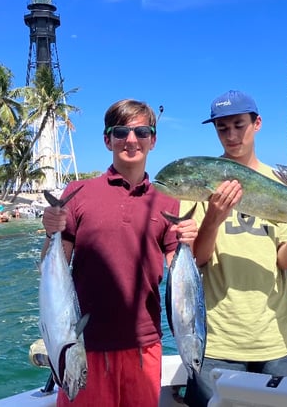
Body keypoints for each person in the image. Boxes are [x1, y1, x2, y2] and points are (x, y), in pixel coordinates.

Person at [40, 99, 198, 406]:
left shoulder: (168, 201)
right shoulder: (78, 193)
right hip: (82, 343)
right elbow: (53, 266)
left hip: (144, 346)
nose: (131, 139)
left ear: (153, 140)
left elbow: (178, 277)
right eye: (121, 131)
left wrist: (188, 241)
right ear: (107, 139)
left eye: (141, 132)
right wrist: (50, 233)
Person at [183, 89, 287, 406]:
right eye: (223, 128)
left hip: (278, 338)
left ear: (257, 123)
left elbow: (284, 260)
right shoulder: (197, 179)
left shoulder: (282, 183)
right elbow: (195, 261)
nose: (231, 135)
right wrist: (213, 219)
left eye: (239, 125)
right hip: (217, 341)